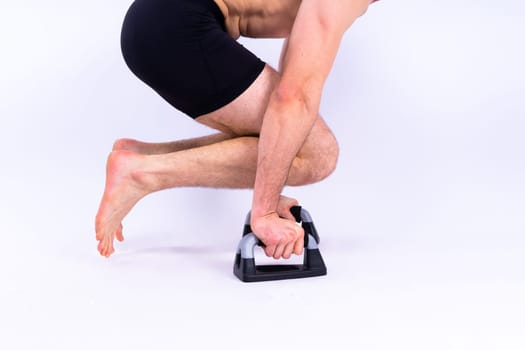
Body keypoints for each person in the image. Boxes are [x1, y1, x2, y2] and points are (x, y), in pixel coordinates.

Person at [95, 0, 378, 259]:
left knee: (288, 131)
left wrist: (270, 190)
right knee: (317, 154)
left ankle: (141, 156)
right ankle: (142, 175)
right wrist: (264, 212)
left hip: (160, 20)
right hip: (176, 28)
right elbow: (293, 96)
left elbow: (289, 80)